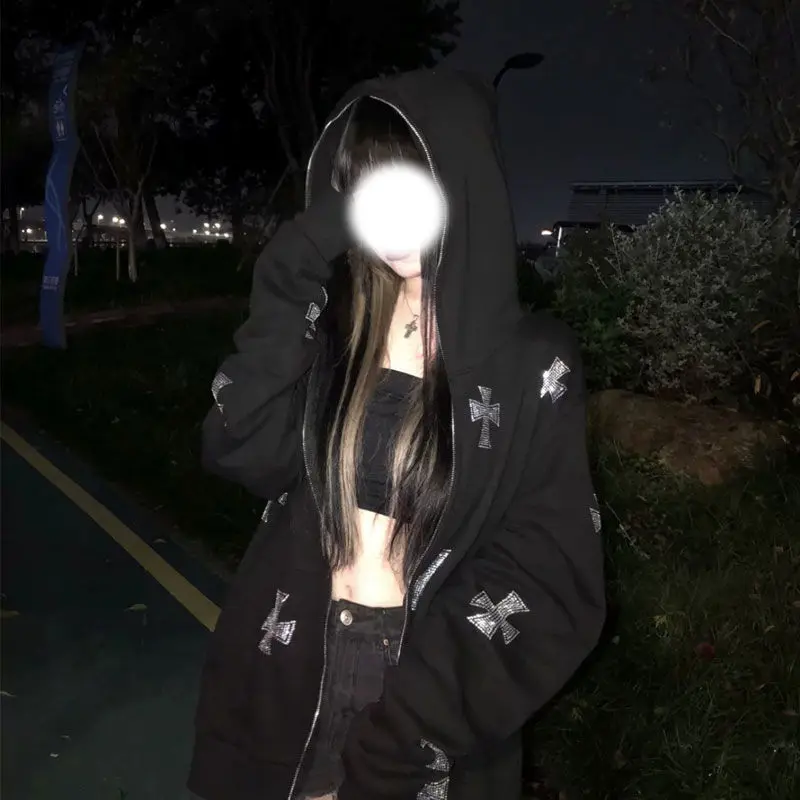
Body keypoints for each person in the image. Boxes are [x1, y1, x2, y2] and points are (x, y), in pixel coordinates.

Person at [188, 68, 605, 800]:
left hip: (424, 691)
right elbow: (238, 445)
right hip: (290, 665)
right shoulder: (335, 335)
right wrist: (296, 264)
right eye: (370, 190)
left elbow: (548, 571)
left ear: (460, 183)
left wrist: (410, 721)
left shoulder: (533, 363)